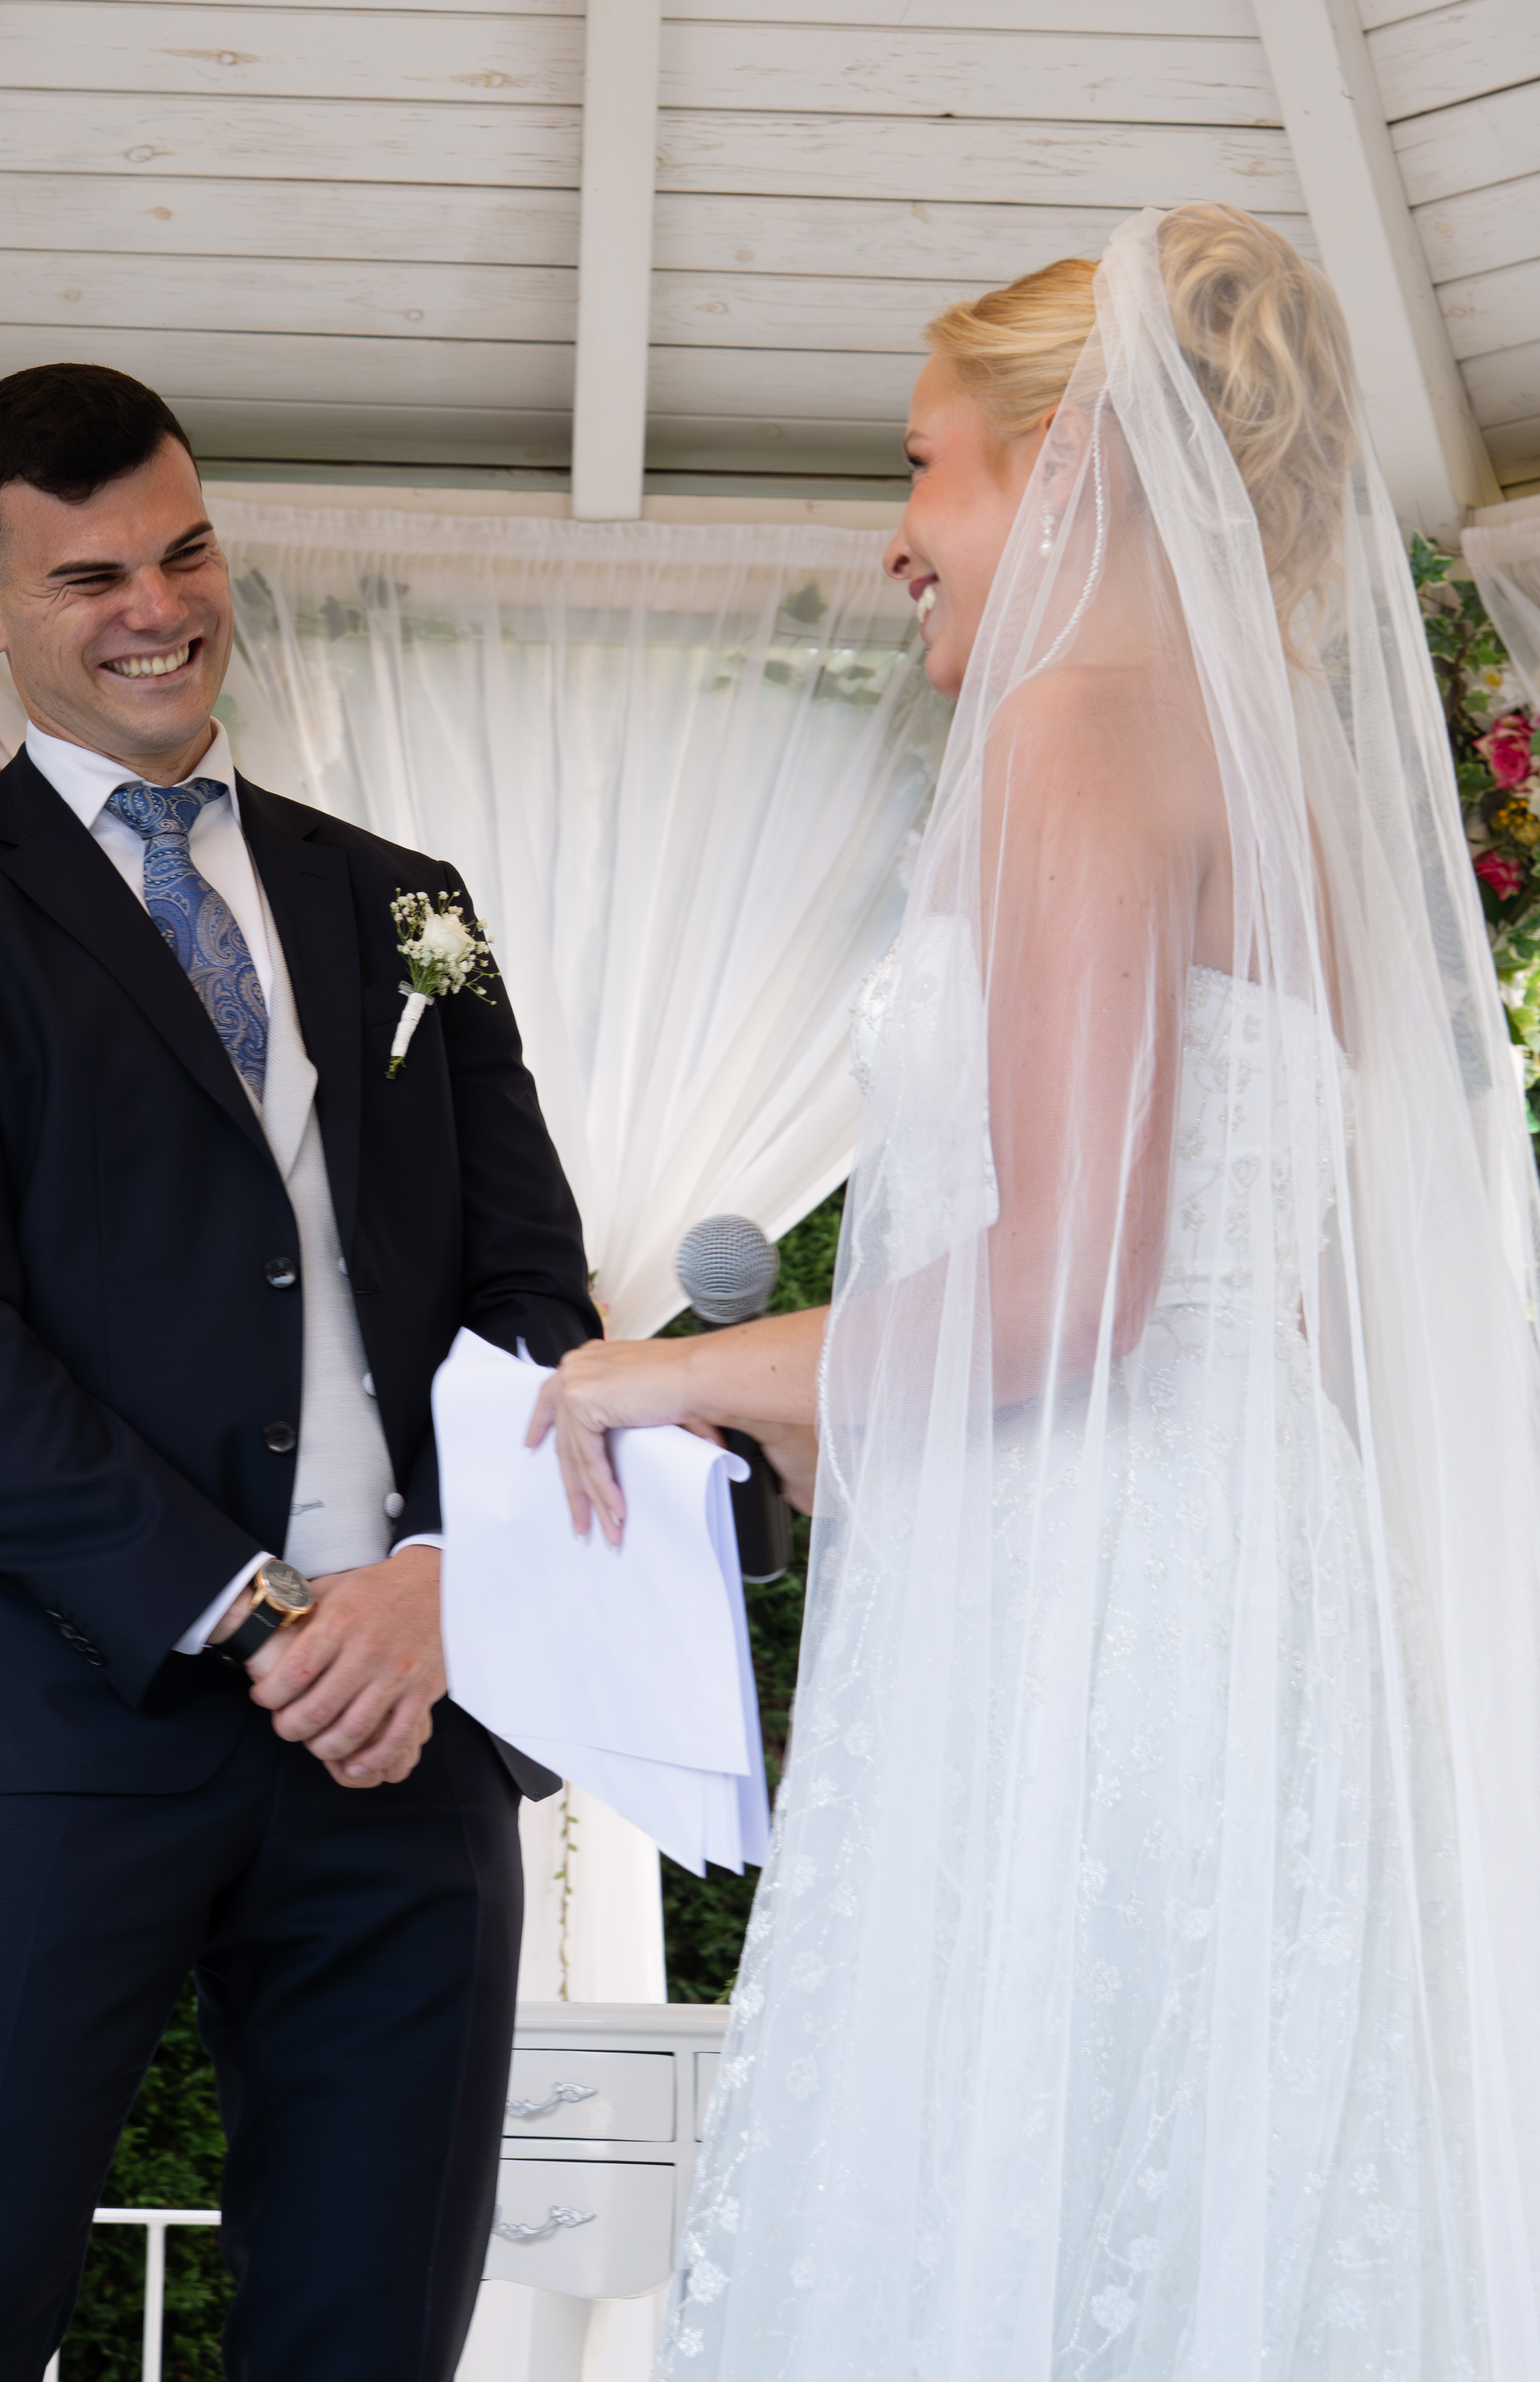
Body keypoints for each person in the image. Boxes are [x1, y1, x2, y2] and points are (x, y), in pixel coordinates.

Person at [531, 206, 1540, 2376]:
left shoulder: (1077, 728)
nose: (898, 534)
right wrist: (841, 1414)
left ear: (1067, 462)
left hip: (1102, 1592)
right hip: (1254, 1560)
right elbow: (1257, 1285)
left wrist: (652, 1376)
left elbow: (1063, 1288)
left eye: (926, 467)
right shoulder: (1278, 771)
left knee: (1021, 2187)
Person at [0, 361, 599, 2381]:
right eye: (92, 579)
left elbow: (532, 1296)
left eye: (186, 552)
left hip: (413, 1735)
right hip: (75, 1734)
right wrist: (256, 1610)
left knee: (369, 2342)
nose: (158, 608)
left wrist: (439, 1583)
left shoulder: (409, 906)